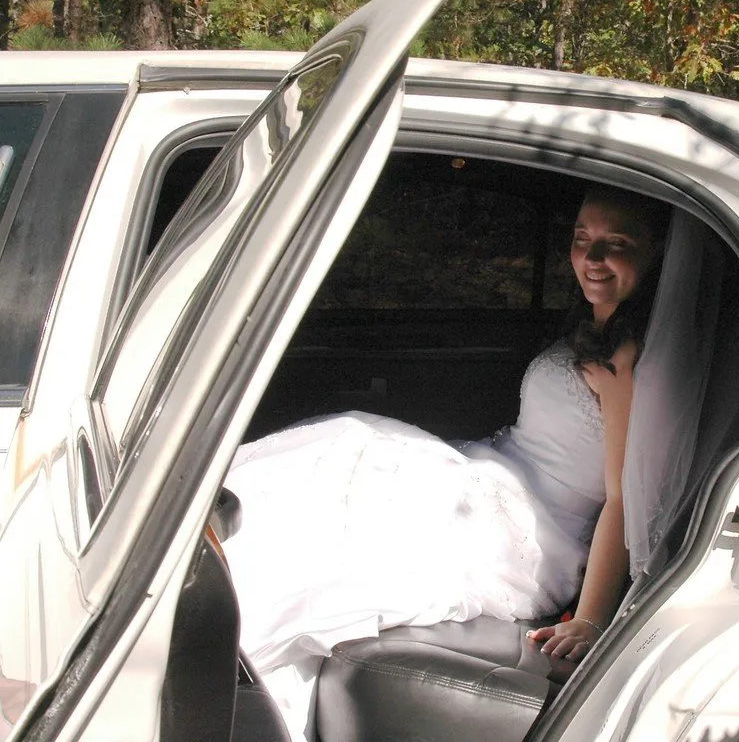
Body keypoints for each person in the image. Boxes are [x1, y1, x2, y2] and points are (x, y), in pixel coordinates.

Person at [221, 184, 667, 737]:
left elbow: (626, 494)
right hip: (491, 474)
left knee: (347, 476)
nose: (591, 259)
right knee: (345, 446)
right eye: (582, 239)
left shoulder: (626, 358)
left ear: (654, 255)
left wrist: (592, 619)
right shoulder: (595, 330)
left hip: (530, 528)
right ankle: (201, 560)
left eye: (615, 242)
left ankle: (211, 604)